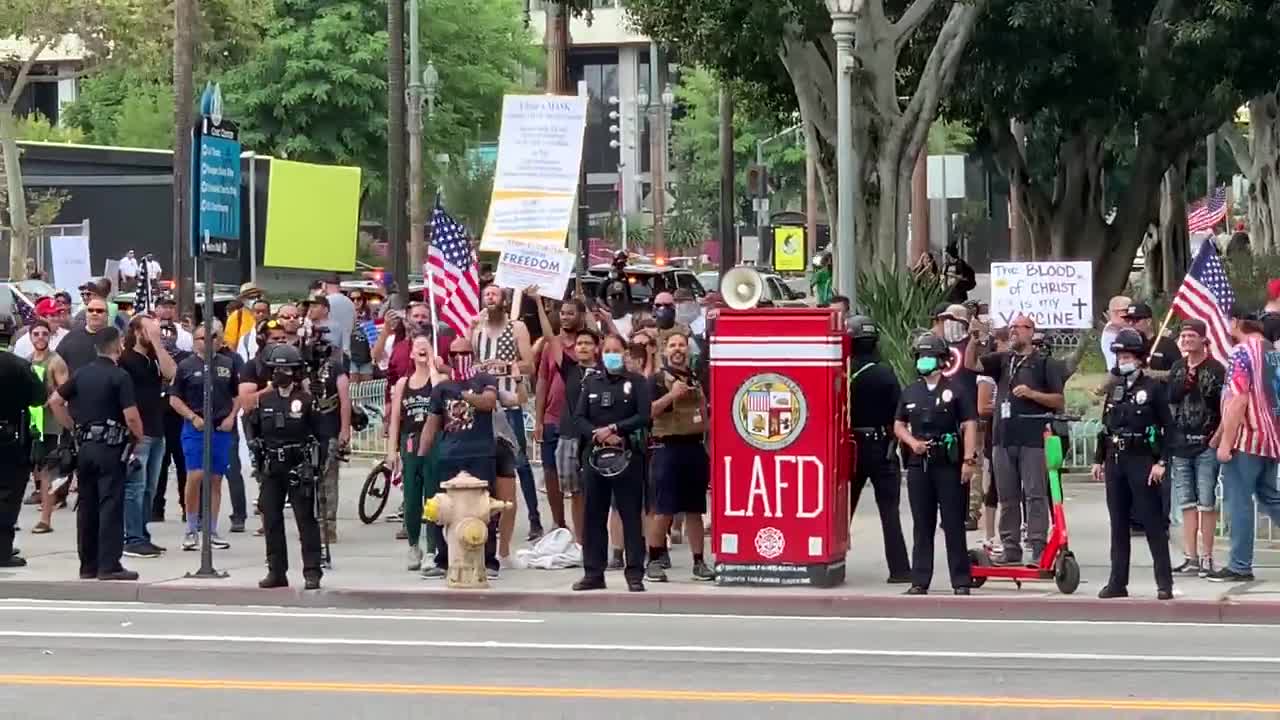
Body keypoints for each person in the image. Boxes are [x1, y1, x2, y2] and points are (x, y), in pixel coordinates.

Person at [48, 327, 145, 580]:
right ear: (117, 346)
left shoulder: (81, 373)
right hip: (111, 448)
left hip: (85, 447)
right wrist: (139, 437)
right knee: (110, 505)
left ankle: (88, 565)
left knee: (87, 506)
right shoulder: (119, 376)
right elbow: (131, 416)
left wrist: (72, 426)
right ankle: (109, 565)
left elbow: (56, 401)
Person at [968, 314, 1065, 566]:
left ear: (1031, 332)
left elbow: (1059, 401)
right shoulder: (1002, 360)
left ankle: (1038, 545)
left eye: (1018, 328)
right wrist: (974, 338)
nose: (1013, 332)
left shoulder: (1045, 364)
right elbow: (972, 364)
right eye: (1010, 328)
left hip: (1032, 439)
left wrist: (1032, 394)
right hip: (1002, 438)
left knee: (1034, 495)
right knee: (1007, 496)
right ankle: (1010, 547)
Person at [1091, 328, 1174, 600]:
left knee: (1151, 522)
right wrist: (1098, 458)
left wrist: (1161, 461)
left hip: (1142, 459)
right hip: (1117, 459)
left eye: (1126, 356)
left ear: (1139, 359)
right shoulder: (1116, 389)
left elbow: (1168, 428)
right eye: (1119, 356)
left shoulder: (1152, 389)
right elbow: (1106, 425)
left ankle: (1164, 582)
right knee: (1118, 523)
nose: (1121, 361)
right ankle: (1118, 582)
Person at [894, 334, 978, 595]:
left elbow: (970, 425)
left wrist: (968, 460)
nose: (923, 361)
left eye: (928, 356)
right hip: (920, 464)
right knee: (922, 523)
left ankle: (961, 581)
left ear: (942, 360)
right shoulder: (911, 391)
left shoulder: (956, 390)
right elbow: (898, 424)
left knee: (953, 522)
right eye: (920, 356)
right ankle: (920, 580)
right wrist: (911, 442)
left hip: (949, 463)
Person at [416, 334, 501, 580]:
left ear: (472, 355)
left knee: (485, 509)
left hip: (480, 452)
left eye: (464, 354)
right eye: (454, 355)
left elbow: (488, 403)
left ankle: (488, 559)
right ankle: (444, 558)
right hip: (450, 455)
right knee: (445, 510)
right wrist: (422, 456)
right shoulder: (442, 389)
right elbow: (431, 425)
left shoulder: (484, 379)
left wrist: (464, 393)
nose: (459, 358)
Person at [572, 333, 651, 593]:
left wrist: (617, 429)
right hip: (596, 456)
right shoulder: (592, 383)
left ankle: (635, 574)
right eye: (607, 350)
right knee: (593, 516)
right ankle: (593, 573)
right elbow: (579, 418)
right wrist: (597, 433)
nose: (612, 355)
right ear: (600, 353)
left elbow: (644, 415)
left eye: (616, 350)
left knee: (630, 516)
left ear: (625, 353)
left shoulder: (637, 382)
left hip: (627, 455)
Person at [1209, 305, 1280, 583]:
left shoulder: (1241, 352)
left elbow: (1238, 399)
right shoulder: (1271, 352)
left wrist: (1225, 443)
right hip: (1271, 437)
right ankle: (1240, 563)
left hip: (1246, 438)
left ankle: (1239, 564)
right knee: (1271, 498)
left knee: (1239, 501)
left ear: (1236, 322)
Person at [246, 343, 324, 590]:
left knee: (305, 520)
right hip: (271, 467)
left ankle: (312, 571)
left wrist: (315, 467)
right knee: (271, 519)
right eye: (277, 370)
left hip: (298, 466)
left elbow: (322, 436)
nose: (281, 375)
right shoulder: (263, 400)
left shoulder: (306, 401)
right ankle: (276, 571)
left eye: (287, 370)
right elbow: (251, 427)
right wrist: (256, 453)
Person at [470, 285, 542, 542]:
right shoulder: (476, 328)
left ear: (504, 300)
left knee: (519, 461)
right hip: (485, 402)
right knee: (488, 462)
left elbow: (529, 364)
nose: (490, 298)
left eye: (495, 294)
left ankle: (534, 518)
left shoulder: (517, 327)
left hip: (510, 402)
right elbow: (468, 361)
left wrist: (507, 365)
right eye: (486, 294)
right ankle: (494, 517)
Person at [846, 316, 911, 583]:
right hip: (883, 446)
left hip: (850, 448)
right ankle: (899, 569)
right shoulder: (885, 373)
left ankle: (829, 559)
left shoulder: (842, 371)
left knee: (842, 510)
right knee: (889, 512)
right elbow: (900, 412)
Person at [646, 332, 714, 582]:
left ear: (688, 350)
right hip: (667, 449)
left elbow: (705, 414)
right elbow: (648, 411)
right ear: (665, 350)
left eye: (682, 345)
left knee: (695, 510)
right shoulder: (656, 380)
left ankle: (699, 562)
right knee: (663, 510)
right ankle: (653, 560)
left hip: (695, 448)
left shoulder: (697, 379)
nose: (678, 349)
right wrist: (672, 395)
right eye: (673, 345)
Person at [169, 323, 241, 551]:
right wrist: (191, 417)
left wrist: (231, 416)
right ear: (194, 341)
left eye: (212, 337)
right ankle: (191, 527)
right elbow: (174, 399)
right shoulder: (185, 366)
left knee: (215, 478)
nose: (207, 342)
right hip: (196, 427)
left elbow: (237, 395)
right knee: (196, 475)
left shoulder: (228, 364)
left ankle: (211, 530)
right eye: (201, 338)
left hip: (220, 426)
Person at [1166, 319, 1224, 577]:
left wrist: (1217, 438)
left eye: (1192, 335)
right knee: (1186, 502)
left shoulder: (1216, 369)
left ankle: (1207, 556)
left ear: (1203, 339)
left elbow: (1224, 405)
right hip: (1180, 444)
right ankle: (1190, 556)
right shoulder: (1177, 368)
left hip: (1206, 443)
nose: (1187, 340)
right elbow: (1171, 398)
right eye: (1184, 336)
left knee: (1206, 502)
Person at [118, 315, 176, 559]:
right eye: (148, 328)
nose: (154, 332)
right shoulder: (127, 360)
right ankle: (131, 537)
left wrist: (158, 343)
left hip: (156, 429)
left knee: (149, 489)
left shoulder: (153, 358)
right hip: (138, 433)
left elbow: (172, 373)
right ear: (136, 331)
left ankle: (141, 533)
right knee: (135, 487)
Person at [385, 334, 443, 571]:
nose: (421, 348)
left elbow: (440, 391)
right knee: (411, 497)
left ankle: (432, 549)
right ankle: (413, 546)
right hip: (410, 441)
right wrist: (392, 451)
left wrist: (432, 365)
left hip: (433, 442)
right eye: (417, 346)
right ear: (410, 354)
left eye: (425, 346)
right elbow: (396, 419)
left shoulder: (438, 379)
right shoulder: (403, 383)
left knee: (432, 496)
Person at [534, 299, 586, 535]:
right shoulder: (549, 348)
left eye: (570, 313)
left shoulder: (586, 346)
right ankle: (558, 523)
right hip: (552, 418)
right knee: (550, 472)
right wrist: (538, 419)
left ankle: (581, 531)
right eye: (562, 313)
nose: (565, 317)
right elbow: (542, 382)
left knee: (576, 479)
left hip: (577, 421)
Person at [0, 327, 49, 566]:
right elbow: (38, 398)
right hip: (9, 438)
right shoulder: (20, 365)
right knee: (8, 496)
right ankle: (2, 550)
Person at [302, 316, 352, 545]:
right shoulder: (303, 366)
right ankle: (311, 523)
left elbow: (345, 400)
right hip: (307, 429)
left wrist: (344, 430)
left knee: (329, 479)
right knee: (307, 480)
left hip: (330, 428)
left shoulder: (336, 368)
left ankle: (329, 526)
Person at [26, 319, 71, 535]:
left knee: (47, 473)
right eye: (36, 334)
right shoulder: (26, 361)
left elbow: (65, 390)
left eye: (44, 333)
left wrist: (48, 402)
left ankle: (45, 518)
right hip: (30, 422)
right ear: (30, 336)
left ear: (50, 336)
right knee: (28, 470)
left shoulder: (56, 362)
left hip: (51, 424)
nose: (40, 337)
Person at [1124, 302, 1179, 379]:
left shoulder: (1167, 345)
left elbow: (1179, 373)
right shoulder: (1126, 345)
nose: (1131, 324)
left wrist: (1154, 374)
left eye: (1135, 320)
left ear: (1148, 321)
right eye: (1128, 320)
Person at [59, 296, 113, 374]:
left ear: (107, 315)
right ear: (86, 314)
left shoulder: (114, 338)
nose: (94, 313)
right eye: (90, 310)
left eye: (99, 311)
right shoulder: (71, 337)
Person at [224, 283, 263, 352]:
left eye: (258, 296)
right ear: (243, 300)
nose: (256, 299)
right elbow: (230, 344)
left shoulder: (265, 314)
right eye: (251, 297)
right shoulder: (236, 317)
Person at [1099, 295, 1133, 372]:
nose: (1132, 312)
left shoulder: (1123, 327)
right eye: (1127, 310)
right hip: (1120, 374)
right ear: (1116, 313)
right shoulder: (1112, 330)